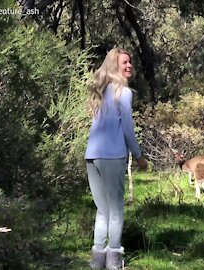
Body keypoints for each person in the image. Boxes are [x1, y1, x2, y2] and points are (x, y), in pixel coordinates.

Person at [85, 48, 148, 270]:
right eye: (124, 62)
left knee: (103, 210)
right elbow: (128, 129)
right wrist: (139, 156)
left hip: (92, 156)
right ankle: (113, 262)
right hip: (112, 156)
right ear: (114, 66)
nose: (129, 66)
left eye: (130, 62)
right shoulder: (123, 91)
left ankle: (96, 262)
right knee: (116, 210)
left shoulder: (100, 91)